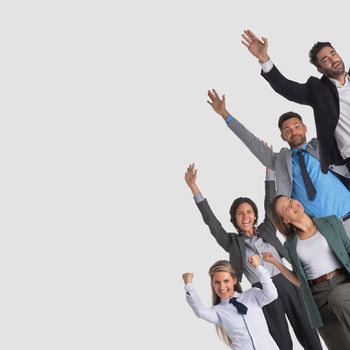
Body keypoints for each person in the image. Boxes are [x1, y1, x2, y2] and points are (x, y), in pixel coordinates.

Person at [184, 163, 322, 350]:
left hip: (287, 282)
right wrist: (194, 188)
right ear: (235, 219)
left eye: (249, 212)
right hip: (262, 291)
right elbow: (212, 223)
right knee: (281, 340)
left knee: (307, 330)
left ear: (255, 216)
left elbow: (270, 200)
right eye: (240, 214)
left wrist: (269, 171)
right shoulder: (231, 242)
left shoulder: (267, 229)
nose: (245, 216)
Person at [207, 89, 350, 237]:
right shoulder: (280, 161)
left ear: (305, 128)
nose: (294, 132)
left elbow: (339, 121)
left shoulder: (323, 145)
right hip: (323, 232)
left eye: (297, 127)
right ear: (282, 136)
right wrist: (225, 114)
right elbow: (250, 141)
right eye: (287, 130)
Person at [241, 29, 350, 174]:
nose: (333, 60)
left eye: (333, 54)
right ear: (320, 69)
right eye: (325, 60)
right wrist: (263, 58)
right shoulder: (318, 90)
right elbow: (283, 86)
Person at [263, 195, 350, 349]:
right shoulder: (290, 245)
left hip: (343, 283)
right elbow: (301, 281)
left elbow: (348, 249)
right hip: (317, 297)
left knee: (338, 297)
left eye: (290, 200)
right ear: (285, 220)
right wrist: (276, 263)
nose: (292, 204)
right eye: (286, 208)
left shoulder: (330, 222)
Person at [182, 257, 279, 349]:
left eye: (226, 281)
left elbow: (272, 294)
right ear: (212, 284)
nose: (222, 287)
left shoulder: (252, 295)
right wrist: (188, 285)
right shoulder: (218, 311)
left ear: (234, 280)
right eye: (217, 282)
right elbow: (200, 311)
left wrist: (258, 267)